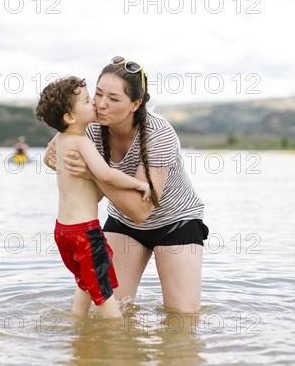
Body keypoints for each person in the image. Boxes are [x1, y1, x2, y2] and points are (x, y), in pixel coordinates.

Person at [44, 57, 209, 313]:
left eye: (113, 98)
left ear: (135, 104)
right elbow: (55, 157)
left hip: (176, 222)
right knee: (111, 310)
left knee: (182, 318)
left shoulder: (159, 134)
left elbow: (141, 211)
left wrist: (94, 174)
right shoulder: (90, 129)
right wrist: (55, 158)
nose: (101, 104)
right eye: (97, 94)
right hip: (123, 223)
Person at [36, 76, 152, 319]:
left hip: (63, 232)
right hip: (85, 233)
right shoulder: (82, 142)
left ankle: (77, 326)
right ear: (70, 117)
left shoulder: (60, 139)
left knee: (86, 283)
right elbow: (106, 175)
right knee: (104, 295)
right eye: (88, 101)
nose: (95, 105)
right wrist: (139, 184)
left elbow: (50, 161)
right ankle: (116, 337)